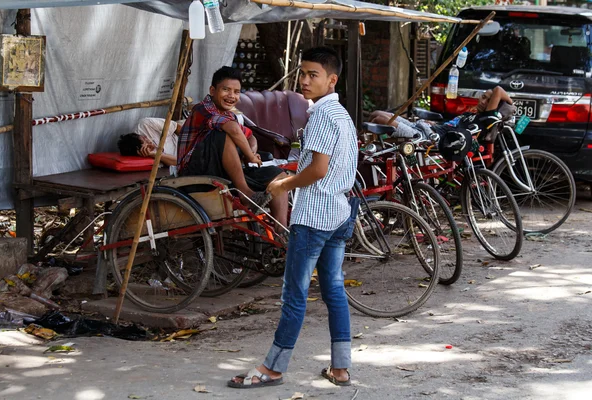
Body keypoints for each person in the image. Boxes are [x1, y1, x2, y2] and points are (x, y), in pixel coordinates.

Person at [227, 46, 359, 389]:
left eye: (313, 75)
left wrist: (283, 183)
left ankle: (273, 368)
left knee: (294, 294)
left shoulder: (322, 116)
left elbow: (317, 169)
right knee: (333, 289)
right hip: (340, 212)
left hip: (315, 216)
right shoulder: (342, 114)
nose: (304, 80)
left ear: (332, 79)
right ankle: (340, 368)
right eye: (302, 73)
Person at [177, 66, 288, 227]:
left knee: (279, 176)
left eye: (236, 92)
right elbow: (234, 130)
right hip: (193, 173)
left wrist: (250, 151)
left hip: (223, 171)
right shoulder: (204, 109)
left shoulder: (229, 115)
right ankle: (244, 193)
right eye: (226, 90)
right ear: (213, 90)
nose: (231, 96)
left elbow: (251, 137)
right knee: (222, 135)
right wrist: (250, 156)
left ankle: (281, 230)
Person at [368, 86, 514, 139]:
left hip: (427, 137)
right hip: (426, 127)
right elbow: (450, 124)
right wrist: (434, 123)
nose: (483, 101)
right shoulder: (471, 115)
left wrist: (511, 105)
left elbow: (498, 90)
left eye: (488, 101)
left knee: (380, 119)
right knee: (376, 113)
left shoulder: (486, 118)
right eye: (483, 97)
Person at [117, 117, 184, 167]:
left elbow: (177, 127)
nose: (147, 139)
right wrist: (154, 154)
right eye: (146, 142)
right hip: (184, 153)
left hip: (184, 131)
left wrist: (192, 143)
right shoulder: (147, 155)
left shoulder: (145, 124)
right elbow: (178, 162)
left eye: (144, 137)